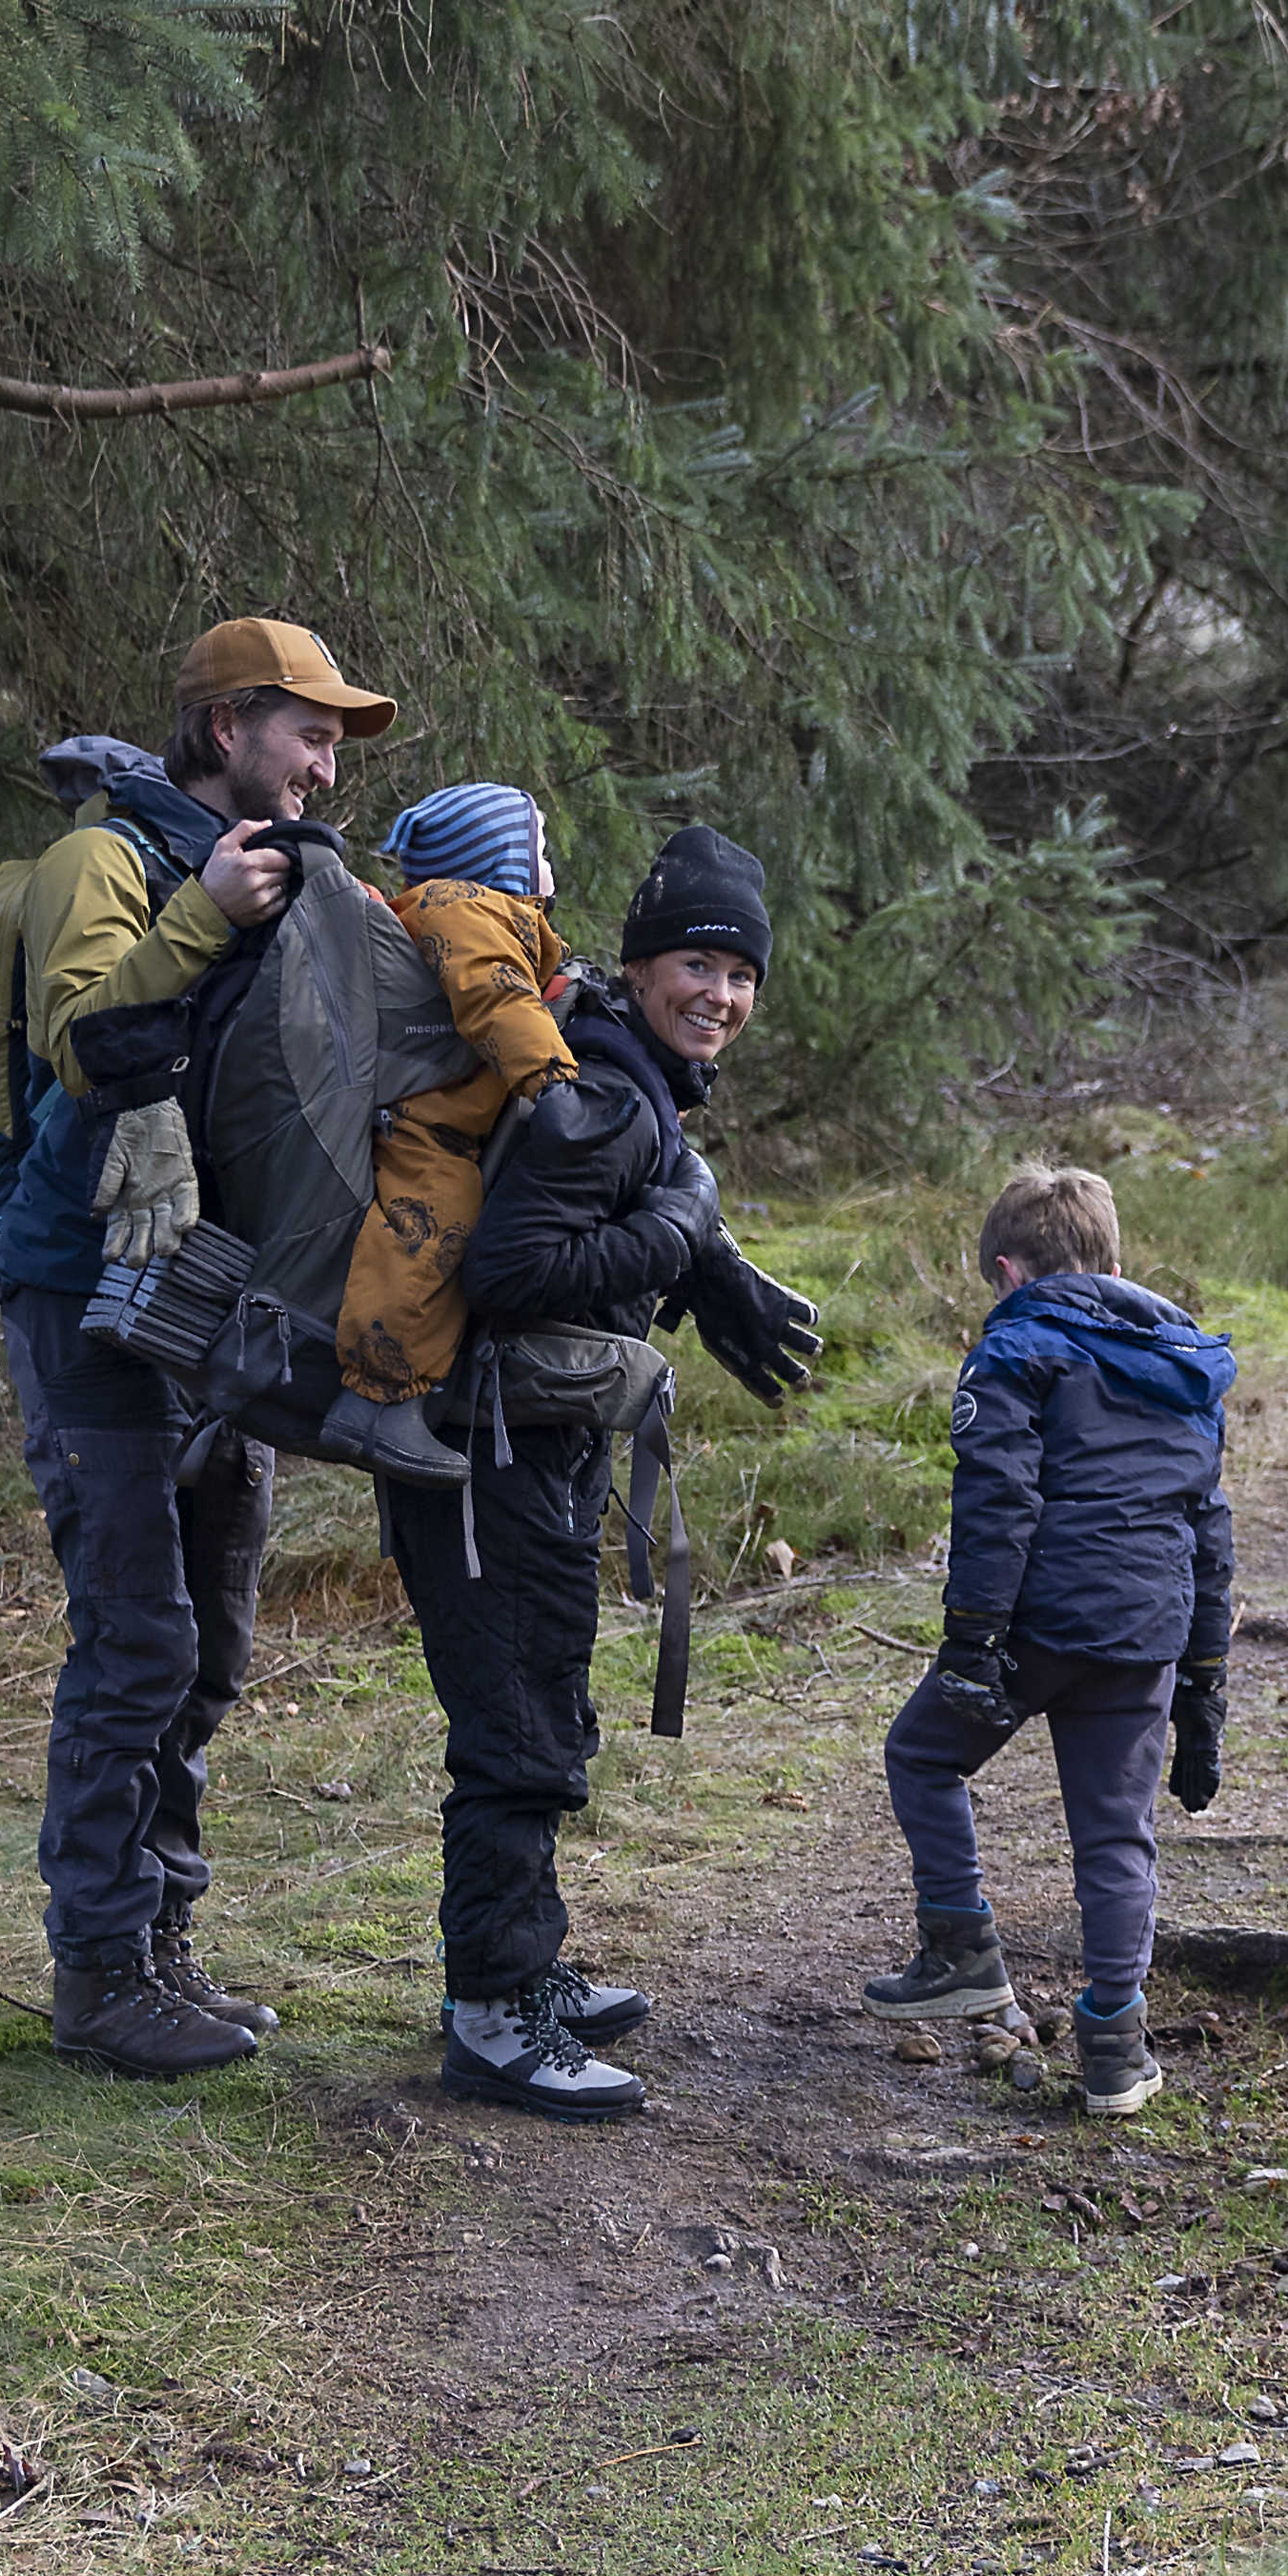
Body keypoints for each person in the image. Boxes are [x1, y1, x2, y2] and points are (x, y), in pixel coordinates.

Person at [0, 617, 386, 2077]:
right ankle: (98, 1974)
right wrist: (206, 911)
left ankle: (161, 1942)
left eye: (335, 740)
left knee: (209, 1643)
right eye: (308, 732)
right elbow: (78, 1034)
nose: (326, 763)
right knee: (137, 1638)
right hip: (84, 1301)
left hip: (216, 1306)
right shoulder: (99, 862)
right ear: (228, 729)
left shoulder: (278, 873)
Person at [394, 822, 823, 2118]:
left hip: (518, 1447)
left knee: (539, 1708)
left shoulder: (616, 1067)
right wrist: (677, 1230)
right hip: (491, 1456)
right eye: (696, 965)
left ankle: (525, 1966)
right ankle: (494, 2014)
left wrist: (682, 1232)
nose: (721, 996)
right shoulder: (610, 1097)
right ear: (636, 969)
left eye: (741, 975)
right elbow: (513, 1270)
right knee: (518, 1728)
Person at [860, 1165, 1236, 2119]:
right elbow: (1209, 1530)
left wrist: (971, 1640)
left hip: (1039, 1625)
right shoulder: (1185, 1364)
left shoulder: (1016, 1349)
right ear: (1114, 1261)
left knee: (922, 1754)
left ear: (1006, 1270)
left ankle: (961, 1950)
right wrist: (1203, 1681)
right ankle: (1115, 2049)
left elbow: (998, 1501)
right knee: (1115, 1835)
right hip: (1145, 1634)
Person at [316, 783, 587, 1487]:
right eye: (539, 848)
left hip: (442, 1119)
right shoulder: (463, 910)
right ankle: (375, 1401)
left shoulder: (479, 915)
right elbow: (495, 996)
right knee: (430, 1229)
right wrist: (553, 1081)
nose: (551, 863)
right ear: (504, 861)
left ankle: (398, 1396)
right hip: (425, 1126)